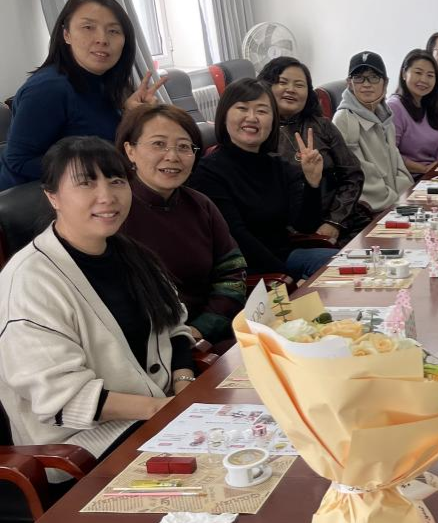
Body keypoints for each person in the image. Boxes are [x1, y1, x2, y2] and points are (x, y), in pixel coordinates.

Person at [0, 137, 195, 458]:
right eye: (86, 183)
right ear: (52, 196)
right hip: (83, 448)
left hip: (159, 417)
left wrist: (185, 386)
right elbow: (62, 397)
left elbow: (174, 326)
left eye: (116, 181)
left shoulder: (132, 254)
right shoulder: (30, 281)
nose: (107, 196)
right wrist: (161, 409)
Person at [0, 0, 166, 190]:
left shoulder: (106, 81)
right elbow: (19, 161)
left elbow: (104, 140)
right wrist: (99, 168)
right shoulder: (48, 88)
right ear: (66, 35)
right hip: (41, 198)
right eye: (88, 27)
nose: (102, 39)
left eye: (114, 31)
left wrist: (131, 116)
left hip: (103, 187)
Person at [117, 104, 247, 347]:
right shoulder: (113, 213)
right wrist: (182, 341)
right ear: (130, 150)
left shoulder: (200, 204)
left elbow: (232, 272)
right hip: (160, 349)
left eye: (184, 147)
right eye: (158, 144)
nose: (172, 156)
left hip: (215, 334)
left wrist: (203, 328)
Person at [188, 79, 335, 280]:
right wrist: (286, 278)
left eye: (262, 111)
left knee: (349, 264)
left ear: (273, 121)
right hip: (247, 271)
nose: (252, 117)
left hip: (285, 259)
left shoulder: (278, 166)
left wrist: (312, 183)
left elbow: (305, 226)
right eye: (242, 108)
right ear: (224, 116)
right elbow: (237, 238)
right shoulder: (207, 172)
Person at [258, 56, 366, 243]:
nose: (291, 89)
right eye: (283, 82)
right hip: (293, 235)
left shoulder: (322, 125)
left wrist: (334, 222)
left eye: (299, 85)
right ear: (266, 86)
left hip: (342, 221)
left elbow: (353, 176)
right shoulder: (258, 132)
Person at [331, 50, 414, 215]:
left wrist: (405, 197)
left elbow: (397, 164)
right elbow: (360, 176)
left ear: (385, 82)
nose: (366, 84)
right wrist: (395, 201)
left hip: (394, 203)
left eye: (374, 77)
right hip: (370, 210)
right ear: (349, 83)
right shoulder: (344, 119)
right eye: (358, 78)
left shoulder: (385, 116)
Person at [388, 50, 438, 174]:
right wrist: (424, 169)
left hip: (433, 174)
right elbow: (391, 153)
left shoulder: (429, 104)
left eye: (430, 75)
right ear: (404, 74)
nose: (424, 80)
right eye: (418, 73)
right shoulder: (394, 107)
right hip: (410, 178)